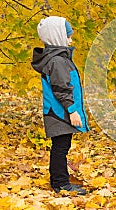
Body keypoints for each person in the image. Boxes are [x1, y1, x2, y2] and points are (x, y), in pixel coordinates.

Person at [31, 16, 90, 195]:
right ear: (57, 36)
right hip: (59, 112)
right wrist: (72, 110)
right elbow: (61, 89)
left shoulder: (59, 58)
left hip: (59, 111)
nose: (71, 40)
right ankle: (61, 184)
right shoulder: (57, 61)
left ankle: (58, 181)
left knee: (61, 147)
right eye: (68, 36)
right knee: (61, 148)